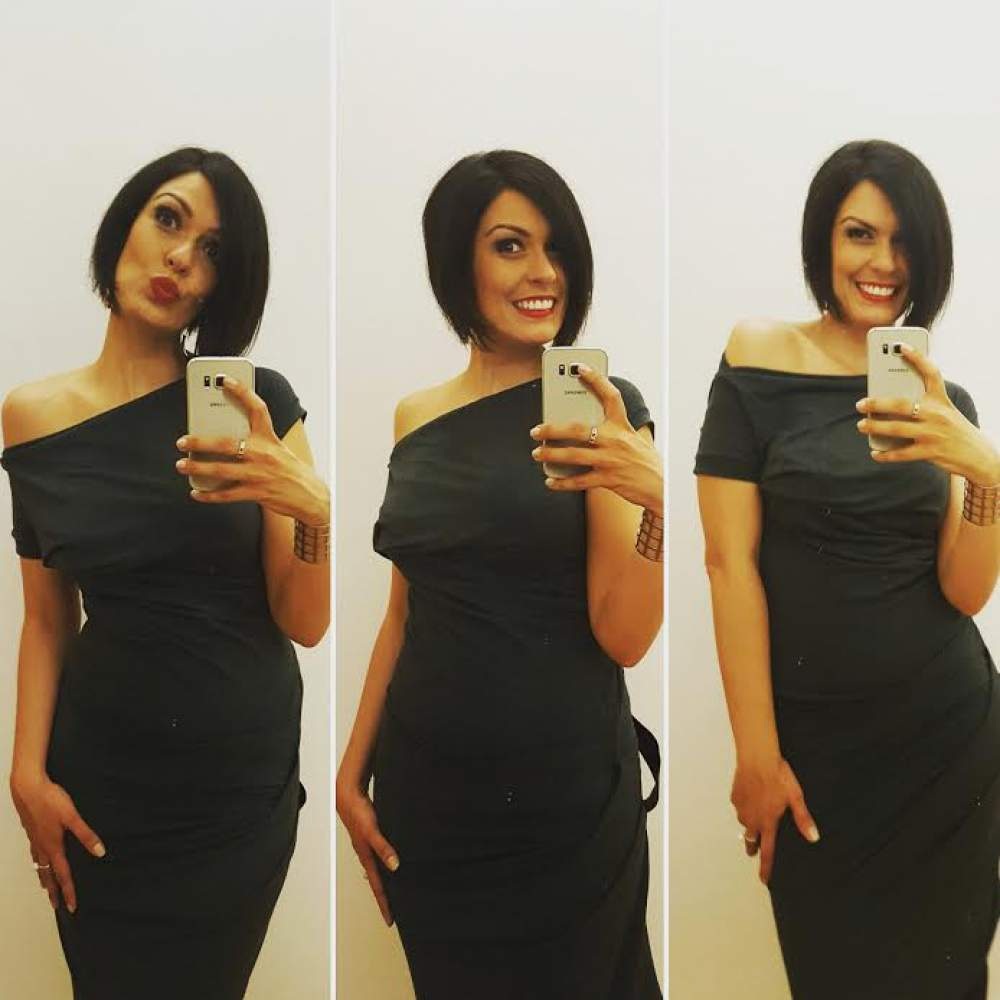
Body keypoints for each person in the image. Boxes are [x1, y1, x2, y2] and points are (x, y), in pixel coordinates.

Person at [1, 146, 330, 999]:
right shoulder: (31, 417)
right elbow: (48, 618)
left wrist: (312, 511)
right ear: (125, 225)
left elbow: (305, 621)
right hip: (98, 785)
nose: (181, 257)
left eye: (213, 251)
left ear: (223, 285)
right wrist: (25, 773)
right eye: (169, 220)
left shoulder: (257, 404)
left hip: (236, 793)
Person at [336, 149, 664, 999]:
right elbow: (405, 613)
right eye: (511, 246)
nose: (543, 272)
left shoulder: (603, 407)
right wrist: (349, 772)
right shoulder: (415, 418)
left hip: (566, 808)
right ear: (458, 261)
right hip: (430, 805)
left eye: (556, 248)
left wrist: (656, 502)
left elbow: (625, 635)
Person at [695, 139, 1000, 999]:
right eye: (860, 234)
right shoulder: (756, 360)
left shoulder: (945, 405)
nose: (883, 262)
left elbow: (965, 591)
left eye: (904, 242)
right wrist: (756, 754)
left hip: (948, 750)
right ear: (822, 241)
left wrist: (986, 473)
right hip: (818, 759)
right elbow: (728, 564)